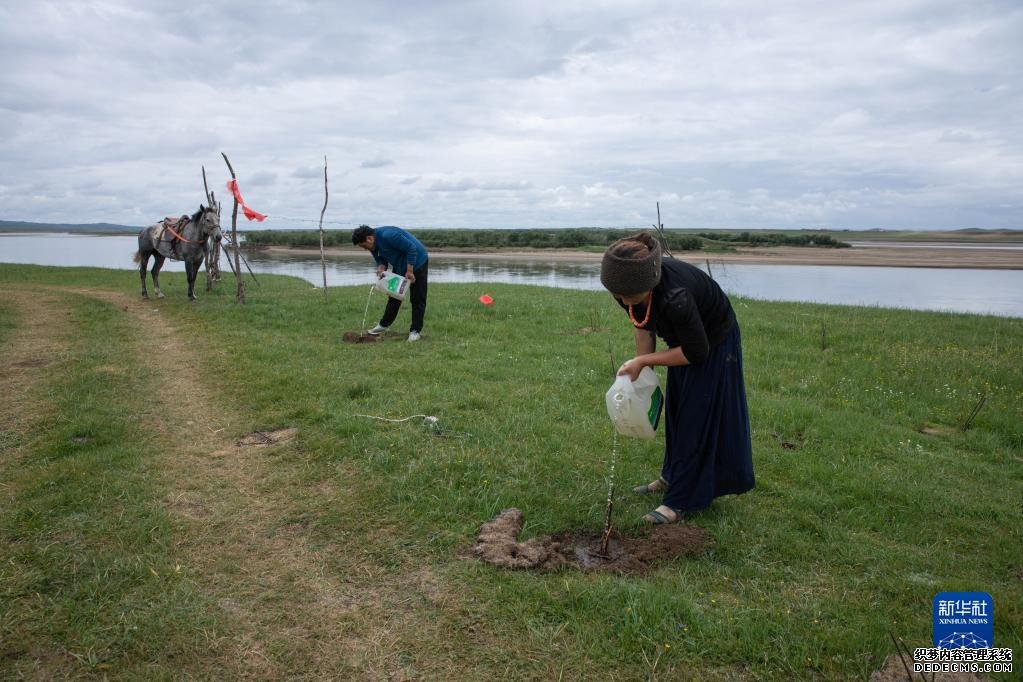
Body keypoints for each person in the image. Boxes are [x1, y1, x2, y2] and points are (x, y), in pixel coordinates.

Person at [600, 232, 754, 523]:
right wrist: (643, 369)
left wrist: (644, 360)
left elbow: (696, 353)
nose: (623, 300)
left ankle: (682, 501)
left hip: (714, 345)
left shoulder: (676, 296)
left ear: (651, 282)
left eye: (629, 296)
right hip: (684, 344)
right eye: (619, 295)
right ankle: (671, 477)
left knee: (697, 418)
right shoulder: (627, 286)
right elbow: (641, 323)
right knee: (678, 412)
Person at [352, 224, 429, 342]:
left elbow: (411, 248)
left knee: (417, 298)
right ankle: (383, 325)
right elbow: (380, 259)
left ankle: (415, 331)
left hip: (418, 261)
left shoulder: (389, 235)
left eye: (364, 246)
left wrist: (409, 271)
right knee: (394, 295)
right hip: (400, 265)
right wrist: (381, 267)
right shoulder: (373, 246)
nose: (364, 248)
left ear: (369, 238)